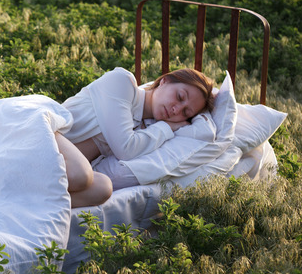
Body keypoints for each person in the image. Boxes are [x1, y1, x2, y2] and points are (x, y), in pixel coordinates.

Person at [55, 67, 215, 208]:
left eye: (185, 113)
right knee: (81, 175)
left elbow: (204, 131)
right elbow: (126, 149)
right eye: (180, 96)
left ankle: (36, 198)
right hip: (46, 135)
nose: (176, 109)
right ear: (164, 81)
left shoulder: (144, 130)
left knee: (103, 188)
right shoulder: (122, 82)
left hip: (60, 165)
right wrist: (167, 127)